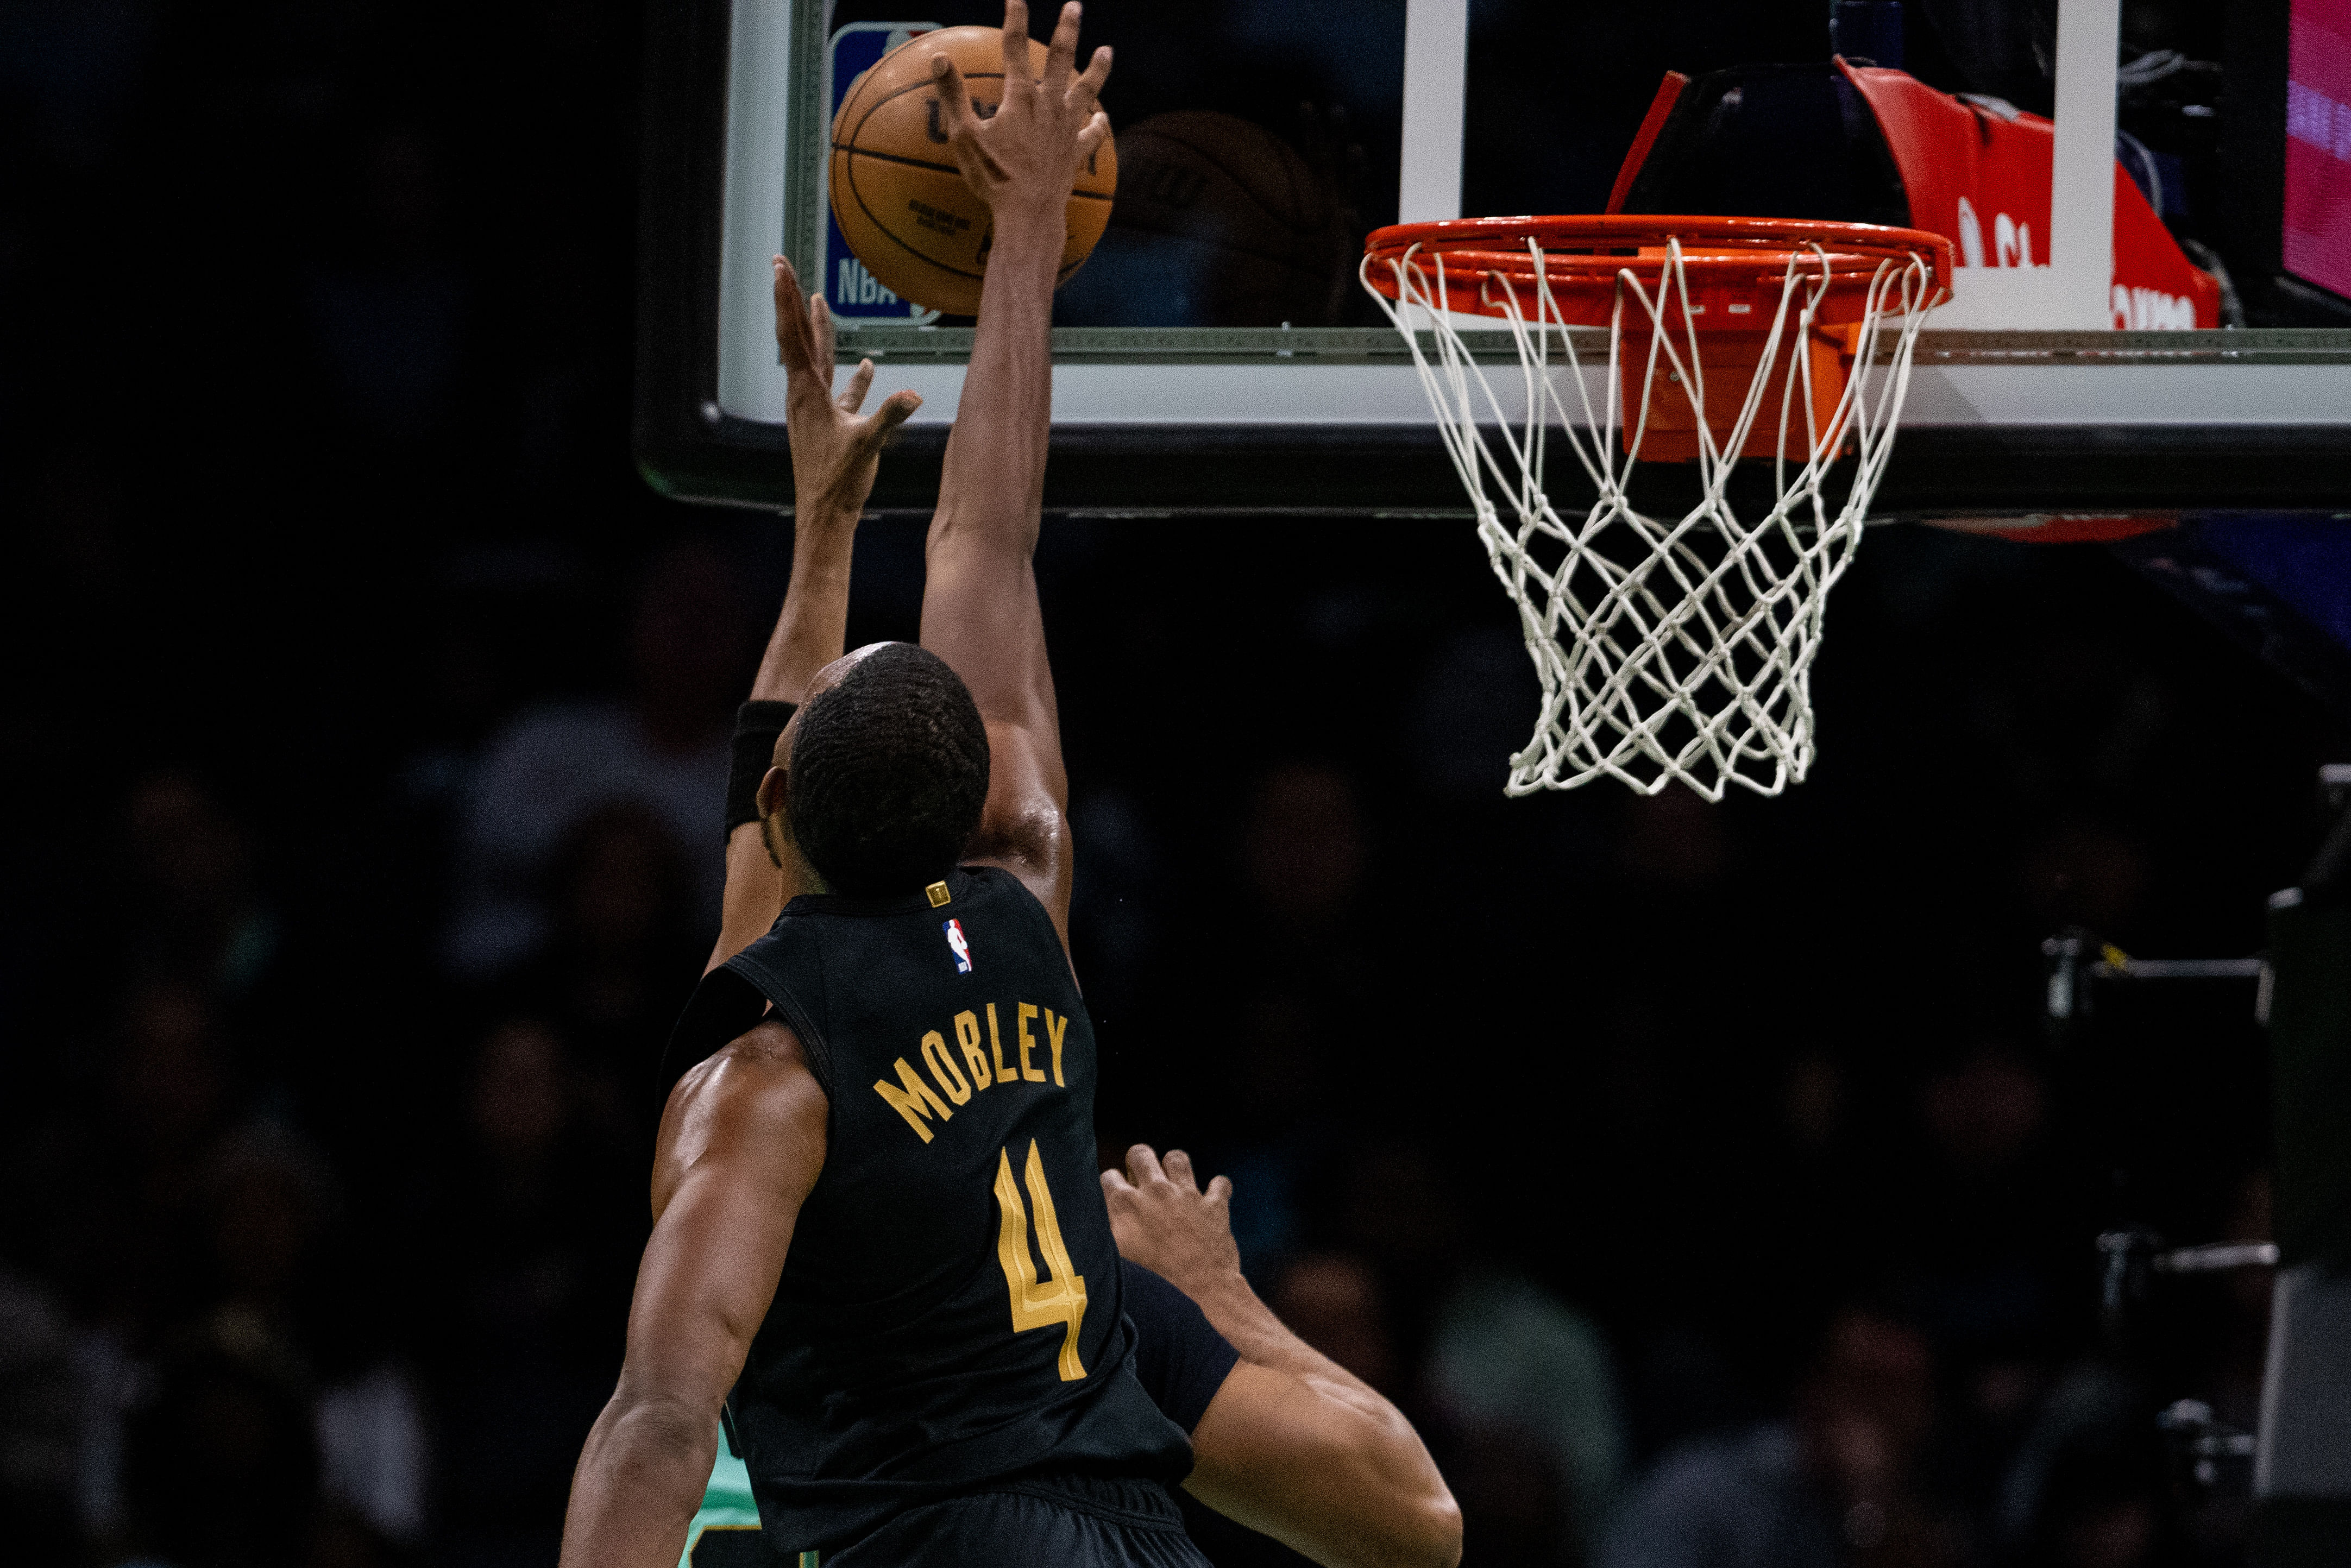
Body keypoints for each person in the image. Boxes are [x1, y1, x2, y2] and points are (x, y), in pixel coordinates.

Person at [557, 7, 1459, 1566]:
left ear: (777, 811)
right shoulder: (1027, 905)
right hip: (1127, 1517)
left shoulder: (764, 1091)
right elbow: (988, 542)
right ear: (988, 797)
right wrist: (1032, 230)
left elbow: (657, 1415)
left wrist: (821, 530)